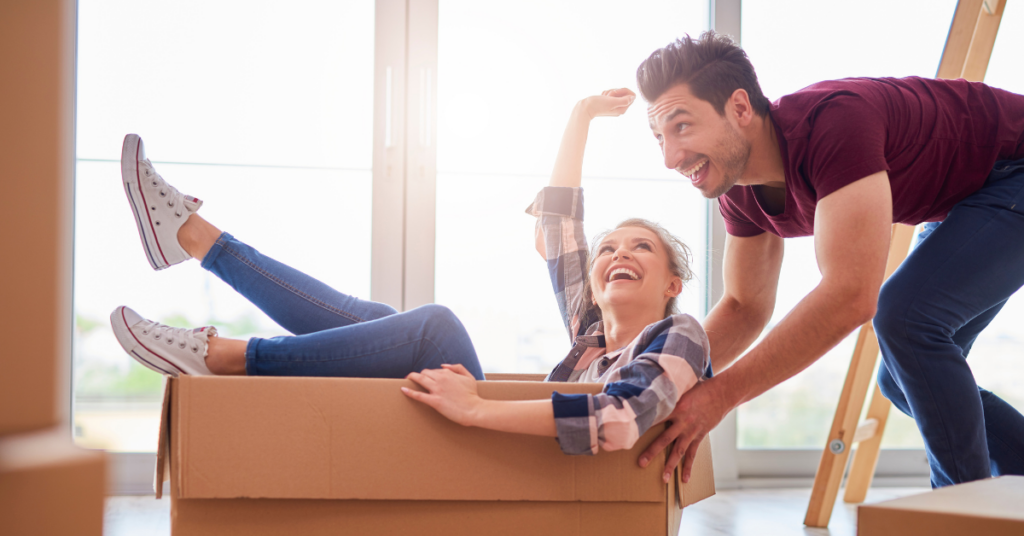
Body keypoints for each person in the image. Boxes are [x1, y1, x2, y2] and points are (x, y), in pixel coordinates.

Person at [111, 89, 710, 460]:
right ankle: (194, 240)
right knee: (382, 322)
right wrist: (580, 116)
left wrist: (475, 409)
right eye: (609, 249)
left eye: (641, 248)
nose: (618, 254)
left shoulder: (679, 334)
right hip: (514, 448)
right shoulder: (589, 330)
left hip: (529, 459)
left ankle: (223, 351)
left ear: (672, 284)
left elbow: (619, 420)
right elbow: (560, 226)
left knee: (431, 329)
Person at [636, 31, 1024, 488]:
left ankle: (960, 513)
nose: (670, 158)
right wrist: (658, 377)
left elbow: (850, 296)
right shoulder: (737, 190)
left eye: (682, 126)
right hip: (972, 200)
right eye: (658, 137)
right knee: (902, 381)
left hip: (1012, 171)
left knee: (906, 320)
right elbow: (744, 307)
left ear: (740, 108)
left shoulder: (835, 124)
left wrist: (718, 396)